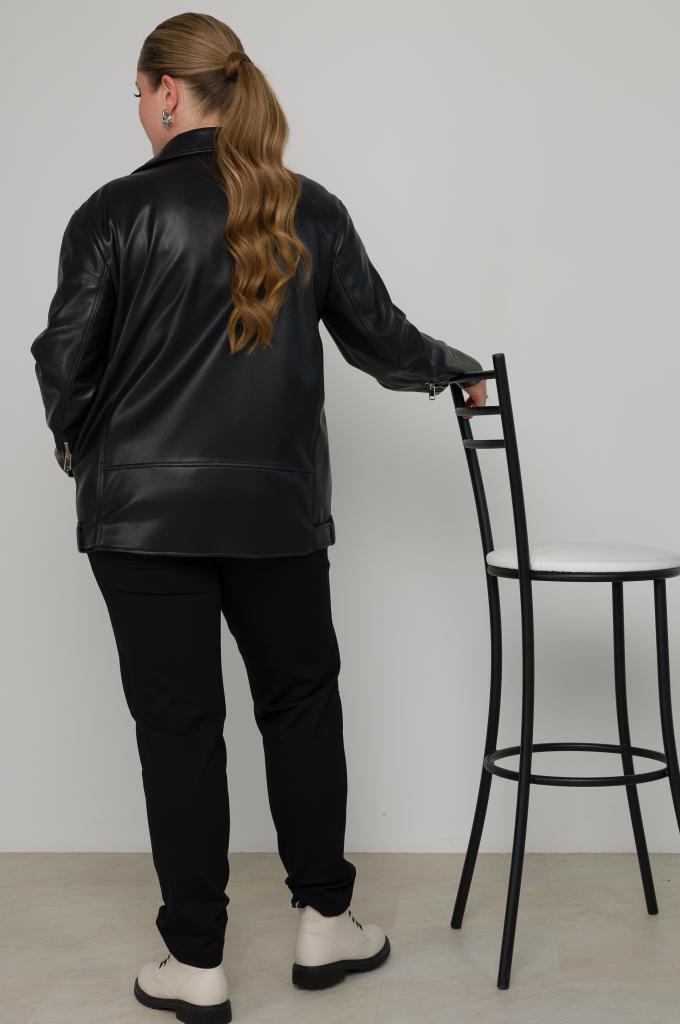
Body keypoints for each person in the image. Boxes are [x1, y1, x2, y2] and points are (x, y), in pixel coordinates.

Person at [29, 12, 488, 1023]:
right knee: (300, 704)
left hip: (138, 521)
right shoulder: (304, 208)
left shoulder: (112, 211)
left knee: (178, 729)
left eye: (139, 94)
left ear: (167, 92)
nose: (139, 111)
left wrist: (91, 457)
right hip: (273, 513)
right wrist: (454, 370)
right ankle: (325, 921)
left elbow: (63, 363)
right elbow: (381, 337)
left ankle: (195, 964)